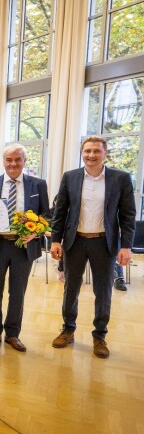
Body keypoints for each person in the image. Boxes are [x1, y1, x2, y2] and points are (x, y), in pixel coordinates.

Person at [50, 136, 135, 359]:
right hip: (74, 242)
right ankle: (68, 329)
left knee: (103, 291)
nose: (91, 155)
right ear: (82, 153)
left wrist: (126, 245)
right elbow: (61, 212)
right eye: (87, 151)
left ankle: (99, 335)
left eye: (96, 151)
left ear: (105, 153)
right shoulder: (70, 177)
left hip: (103, 243)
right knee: (71, 289)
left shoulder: (120, 178)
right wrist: (56, 240)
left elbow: (128, 216)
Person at [0, 144, 49, 352]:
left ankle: (12, 333)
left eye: (18, 159)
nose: (13, 163)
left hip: (23, 246)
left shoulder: (38, 185)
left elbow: (47, 215)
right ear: (3, 162)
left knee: (18, 292)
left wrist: (35, 232)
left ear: (25, 161)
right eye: (9, 160)